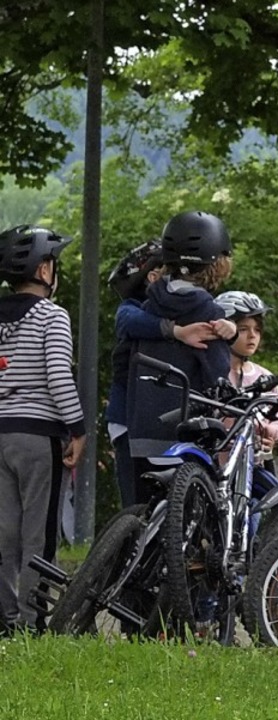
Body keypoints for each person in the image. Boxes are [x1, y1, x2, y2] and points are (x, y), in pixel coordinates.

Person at [0, 225, 85, 634]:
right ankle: (33, 622)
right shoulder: (52, 315)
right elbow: (58, 378)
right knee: (39, 534)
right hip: (37, 436)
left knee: (4, 533)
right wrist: (78, 428)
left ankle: (5, 619)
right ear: (45, 268)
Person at [105, 240, 231, 507]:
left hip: (139, 421)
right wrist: (177, 332)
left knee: (141, 505)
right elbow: (125, 319)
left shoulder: (150, 308)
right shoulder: (136, 310)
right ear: (152, 276)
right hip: (134, 420)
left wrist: (230, 329)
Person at [216, 291, 278, 455]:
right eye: (243, 329)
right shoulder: (211, 372)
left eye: (257, 330)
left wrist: (270, 432)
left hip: (253, 465)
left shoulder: (264, 376)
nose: (252, 336)